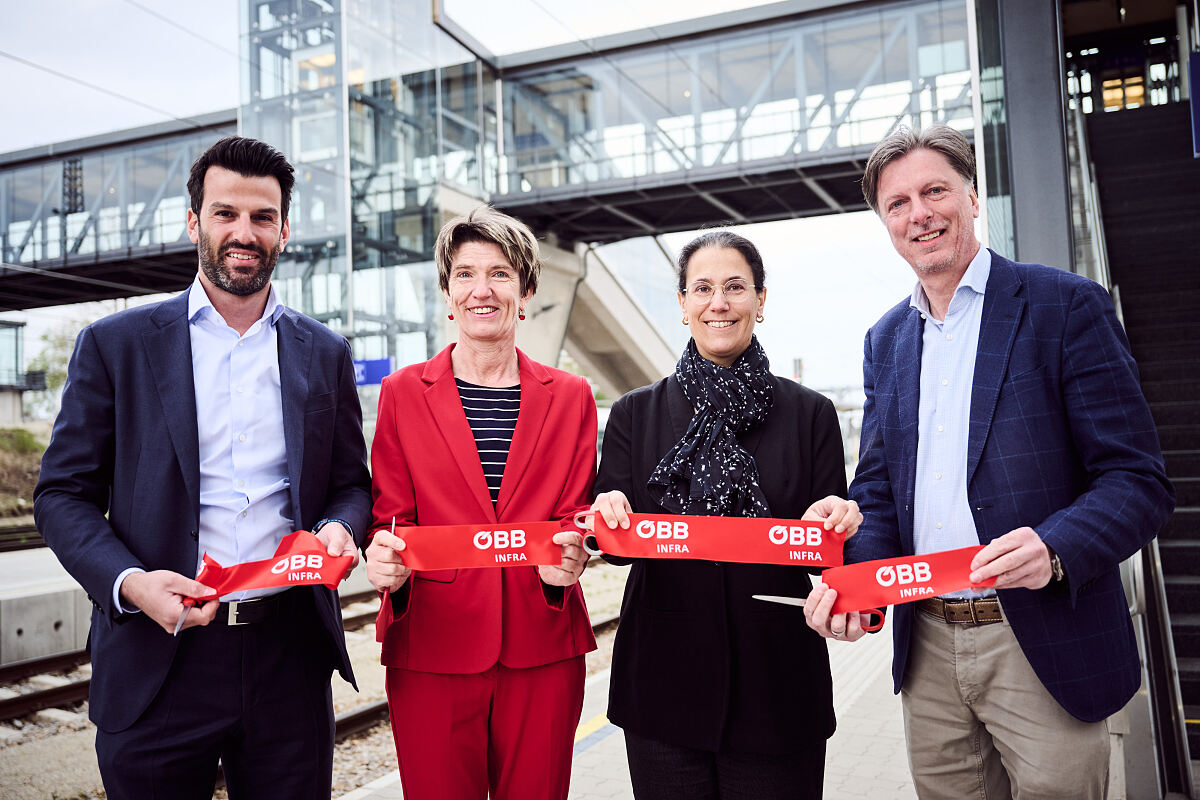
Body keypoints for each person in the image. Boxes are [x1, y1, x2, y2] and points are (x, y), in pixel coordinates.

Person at [803, 124, 1175, 798]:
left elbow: (1138, 481)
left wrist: (1055, 547)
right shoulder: (885, 340)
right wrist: (860, 587)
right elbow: (882, 491)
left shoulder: (1065, 307)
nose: (920, 213)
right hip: (928, 651)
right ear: (885, 223)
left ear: (972, 198)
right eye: (898, 203)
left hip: (1040, 641)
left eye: (935, 190)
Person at [33, 136, 373, 799]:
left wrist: (340, 526)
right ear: (194, 222)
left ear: (283, 229)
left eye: (262, 217)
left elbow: (349, 484)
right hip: (159, 655)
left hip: (289, 655)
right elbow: (62, 494)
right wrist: (130, 583)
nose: (243, 233)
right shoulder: (115, 345)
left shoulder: (324, 350)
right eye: (225, 214)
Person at [588, 230, 862, 800]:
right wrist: (604, 517)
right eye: (703, 288)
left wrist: (835, 523)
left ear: (761, 301)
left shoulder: (810, 414)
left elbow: (827, 556)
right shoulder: (635, 415)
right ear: (683, 304)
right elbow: (613, 546)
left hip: (778, 685)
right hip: (661, 683)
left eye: (735, 287)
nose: (720, 302)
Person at [364, 206, 597, 800]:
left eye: (499, 273)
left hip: (541, 643)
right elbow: (391, 516)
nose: (482, 289)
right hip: (432, 645)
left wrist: (570, 557)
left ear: (525, 291)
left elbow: (575, 512)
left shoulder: (571, 396)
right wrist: (382, 556)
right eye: (465, 274)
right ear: (447, 292)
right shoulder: (401, 394)